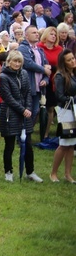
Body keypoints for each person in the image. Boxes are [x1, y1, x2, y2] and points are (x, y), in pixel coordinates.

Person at [0, 50, 41, 182]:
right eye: (15, 61)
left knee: (28, 144)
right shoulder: (3, 77)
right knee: (9, 145)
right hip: (10, 113)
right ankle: (8, 171)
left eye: (19, 61)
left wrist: (28, 108)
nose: (17, 64)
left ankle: (30, 171)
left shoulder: (23, 74)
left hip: (24, 113)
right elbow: (8, 97)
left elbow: (28, 92)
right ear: (9, 61)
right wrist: (23, 109)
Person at [51, 50, 76, 183]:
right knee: (64, 142)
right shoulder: (60, 76)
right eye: (69, 60)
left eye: (73, 58)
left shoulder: (73, 74)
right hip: (66, 111)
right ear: (64, 62)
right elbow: (59, 96)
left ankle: (68, 173)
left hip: (74, 110)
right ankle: (54, 173)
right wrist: (73, 99)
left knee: (72, 143)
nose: (73, 61)